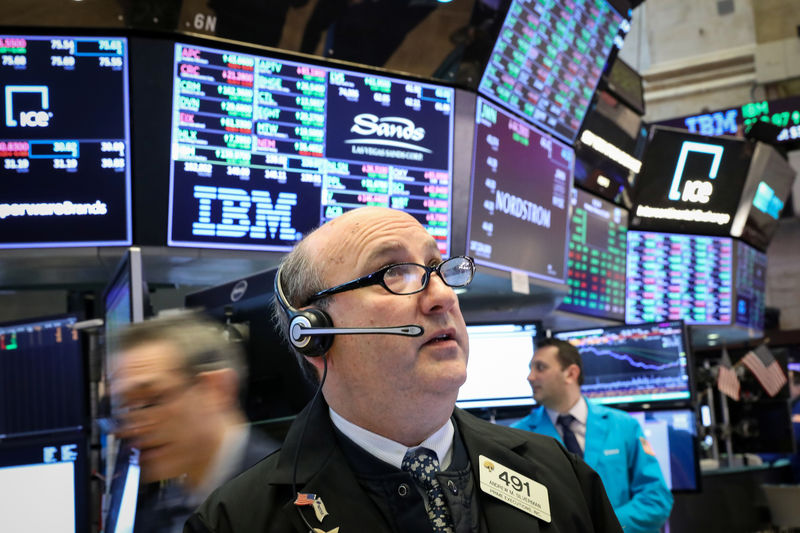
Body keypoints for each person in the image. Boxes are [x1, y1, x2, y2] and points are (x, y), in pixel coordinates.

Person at [185, 206, 622, 533]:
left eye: (439, 269)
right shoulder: (235, 521)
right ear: (313, 333)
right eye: (394, 272)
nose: (443, 297)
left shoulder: (559, 472)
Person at [112, 312, 280, 533]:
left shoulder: (282, 500)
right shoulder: (169, 503)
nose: (133, 428)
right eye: (127, 409)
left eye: (151, 401)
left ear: (215, 389)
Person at [512, 338, 673, 533]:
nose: (530, 377)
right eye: (531, 368)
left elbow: (656, 499)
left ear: (571, 373)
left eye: (540, 368)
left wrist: (606, 525)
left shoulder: (623, 426)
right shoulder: (519, 437)